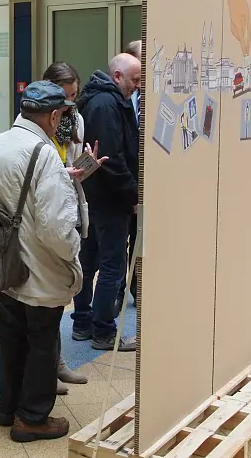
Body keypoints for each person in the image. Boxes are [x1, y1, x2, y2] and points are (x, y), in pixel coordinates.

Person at [0, 81, 83, 444]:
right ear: (54, 115)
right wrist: (73, 255)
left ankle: (7, 408)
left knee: (11, 341)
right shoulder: (45, 155)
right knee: (42, 344)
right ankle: (31, 419)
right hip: (41, 271)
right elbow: (56, 229)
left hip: (5, 269)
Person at [72, 54, 140, 351]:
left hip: (93, 196)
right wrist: (133, 194)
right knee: (112, 266)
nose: (137, 86)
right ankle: (103, 331)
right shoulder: (108, 105)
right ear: (117, 76)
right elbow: (113, 159)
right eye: (134, 80)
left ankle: (83, 323)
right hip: (109, 199)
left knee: (88, 262)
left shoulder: (97, 100)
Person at [42, 62, 94, 393]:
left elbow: (73, 167)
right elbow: (38, 171)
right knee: (44, 298)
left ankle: (55, 363)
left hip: (69, 209)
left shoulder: (75, 120)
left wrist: (87, 166)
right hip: (46, 212)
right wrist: (66, 173)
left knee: (61, 294)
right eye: (64, 96)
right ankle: (46, 369)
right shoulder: (37, 120)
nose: (69, 103)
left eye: (74, 96)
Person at [120, 40, 142, 310]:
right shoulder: (120, 98)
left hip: (143, 181)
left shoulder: (153, 97)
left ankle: (138, 287)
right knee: (118, 242)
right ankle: (118, 292)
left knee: (139, 238)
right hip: (122, 181)